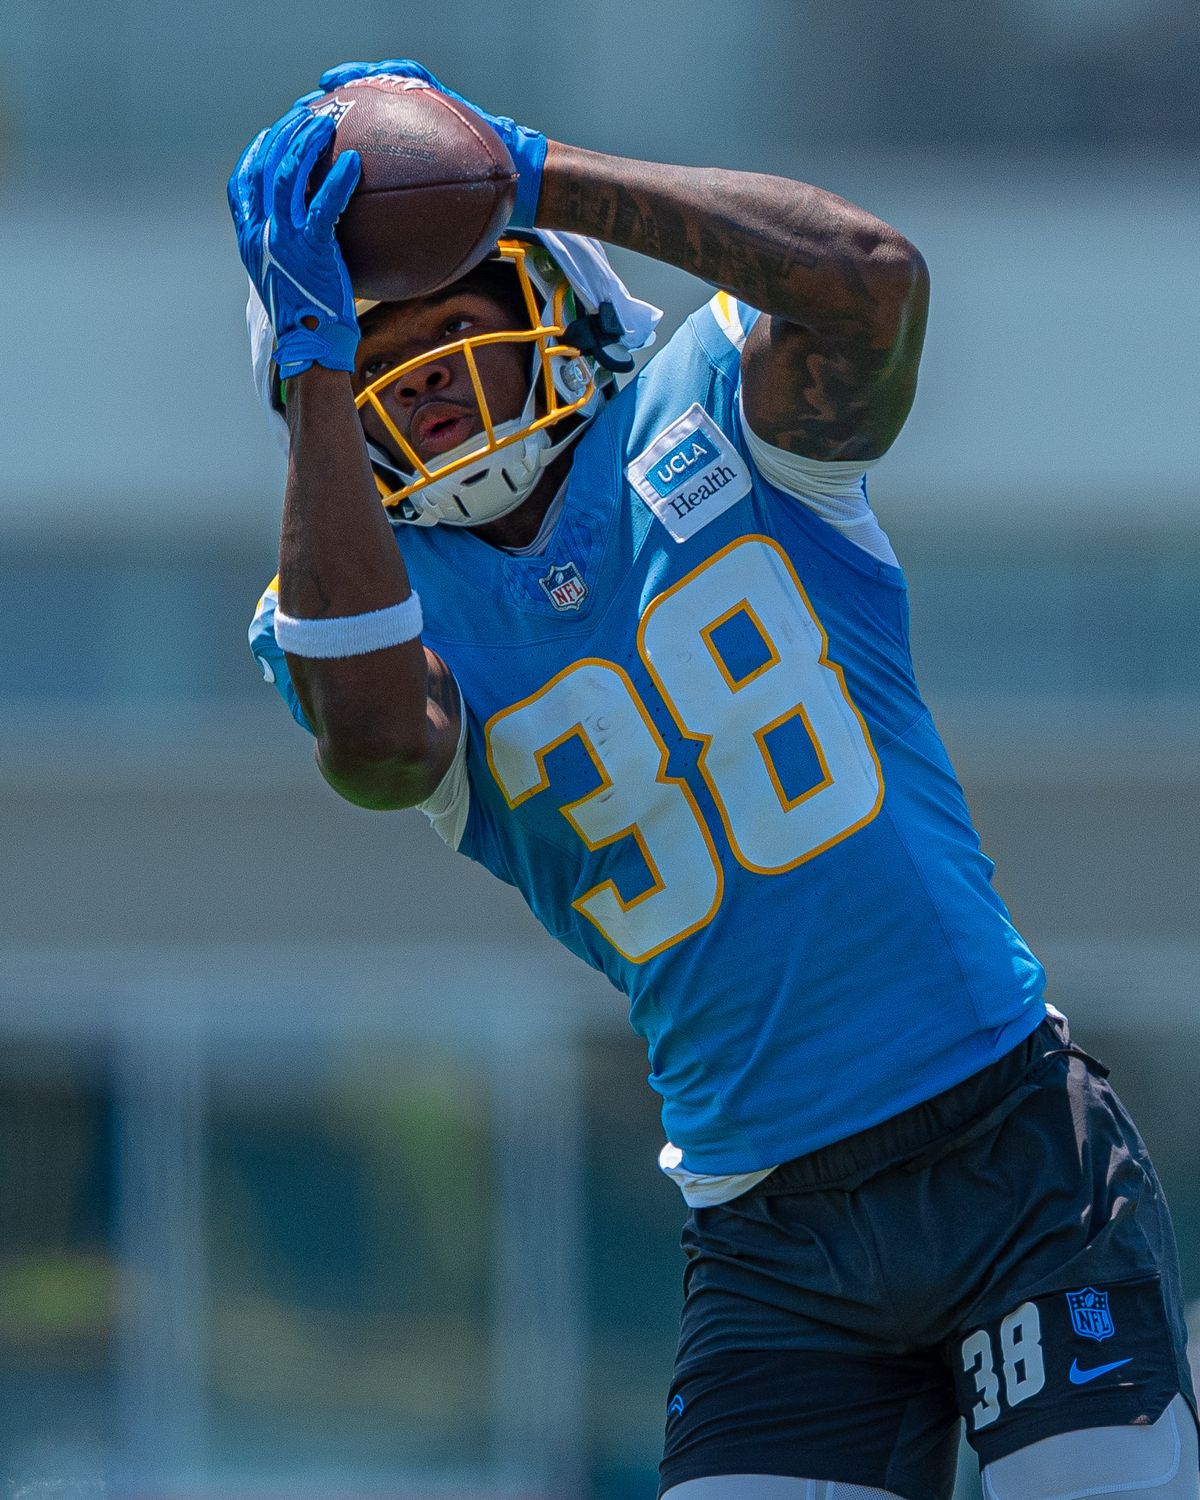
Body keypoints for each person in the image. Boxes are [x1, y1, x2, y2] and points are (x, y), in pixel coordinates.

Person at [229, 61, 1198, 1500]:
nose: (427, 376)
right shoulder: (360, 606)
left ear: (552, 293)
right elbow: (378, 751)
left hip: (1012, 1152)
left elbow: (874, 281)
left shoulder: (719, 408)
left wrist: (532, 170)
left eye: (459, 317)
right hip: (770, 1238)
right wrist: (307, 365)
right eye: (379, 350)